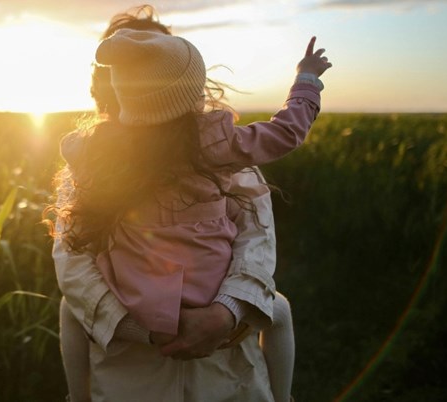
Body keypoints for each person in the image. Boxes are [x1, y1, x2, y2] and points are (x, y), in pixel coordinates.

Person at [48, 6, 332, 401]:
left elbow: (256, 238)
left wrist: (225, 313)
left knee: (69, 311)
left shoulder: (98, 155)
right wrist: (306, 82)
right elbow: (74, 264)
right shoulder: (219, 147)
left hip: (225, 366)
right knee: (278, 309)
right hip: (128, 370)